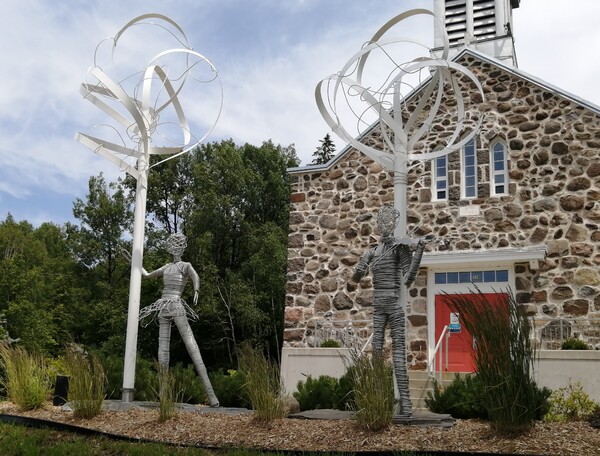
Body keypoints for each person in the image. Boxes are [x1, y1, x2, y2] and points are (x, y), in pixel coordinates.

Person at [351, 204, 428, 417]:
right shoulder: (372, 252)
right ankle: (378, 404)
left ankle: (406, 405)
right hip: (378, 308)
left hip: (394, 306)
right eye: (382, 220)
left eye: (390, 221)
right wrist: (360, 269)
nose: (386, 224)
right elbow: (355, 278)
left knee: (399, 356)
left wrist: (419, 251)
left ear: (394, 224)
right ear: (378, 224)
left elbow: (408, 278)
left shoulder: (400, 248)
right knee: (376, 355)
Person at [139, 233, 219, 407]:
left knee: (191, 345)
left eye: (178, 245)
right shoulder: (166, 267)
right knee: (162, 351)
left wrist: (196, 290)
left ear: (182, 248)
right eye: (173, 245)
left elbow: (195, 277)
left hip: (176, 304)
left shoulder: (185, 265)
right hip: (163, 307)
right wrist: (135, 262)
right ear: (170, 248)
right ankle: (163, 395)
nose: (175, 248)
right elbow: (147, 275)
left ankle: (212, 396)